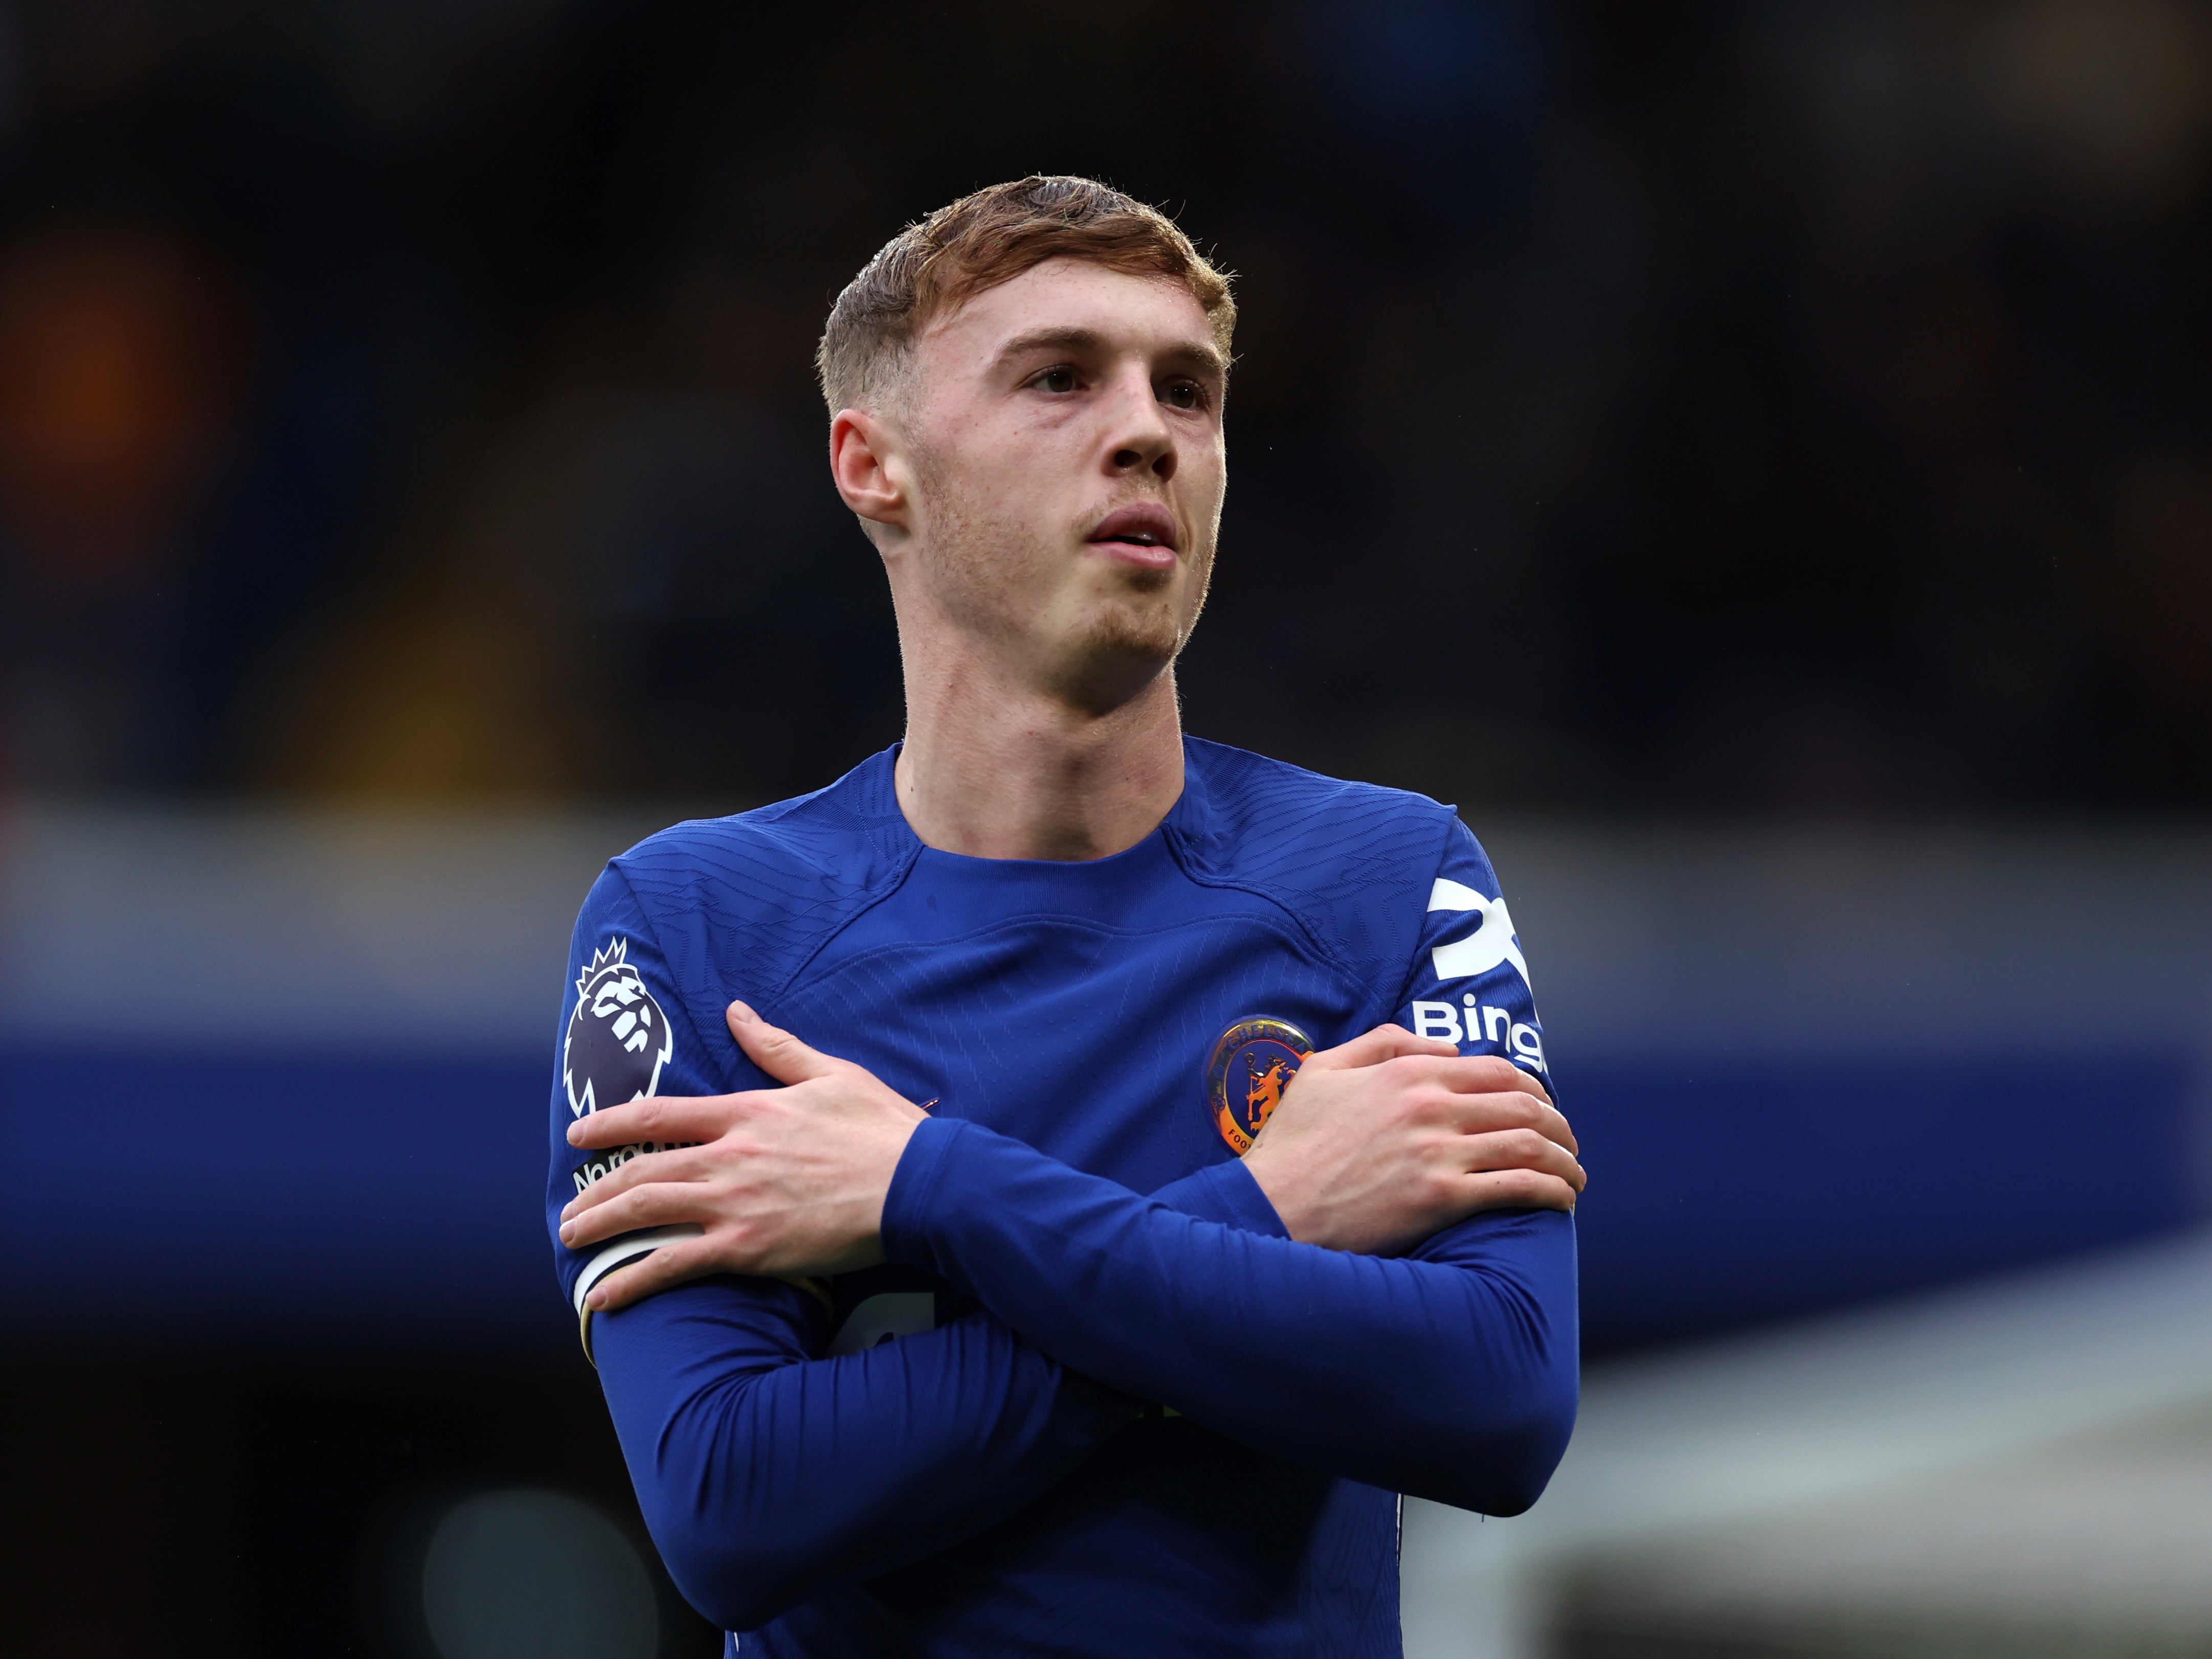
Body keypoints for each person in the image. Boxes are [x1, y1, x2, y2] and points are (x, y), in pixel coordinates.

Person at [547, 176, 1585, 1658]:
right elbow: (732, 1502)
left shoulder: (1396, 882)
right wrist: (1266, 1219)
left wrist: (927, 1189)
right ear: (874, 464)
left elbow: (1500, 1399)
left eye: (1190, 389)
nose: (1150, 428)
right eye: (1058, 377)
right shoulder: (694, 933)